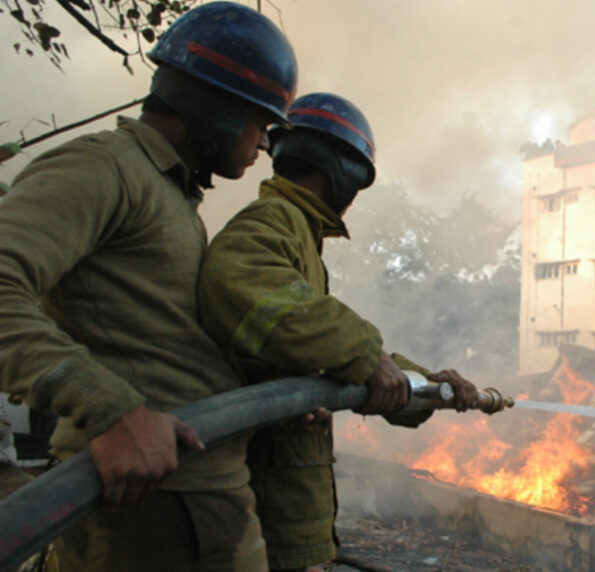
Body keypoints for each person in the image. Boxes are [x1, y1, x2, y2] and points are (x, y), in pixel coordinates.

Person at [0, 3, 298, 570]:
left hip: (198, 490)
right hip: (143, 501)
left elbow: (166, 338)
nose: (263, 145)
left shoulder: (170, 195)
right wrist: (113, 410)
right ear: (214, 109)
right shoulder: (104, 169)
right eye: (260, 123)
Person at [197, 92, 479, 572]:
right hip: (265, 511)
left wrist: (428, 384)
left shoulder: (299, 231)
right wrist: (367, 355)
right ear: (342, 172)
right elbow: (240, 286)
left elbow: (322, 347)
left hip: (284, 511)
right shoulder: (275, 221)